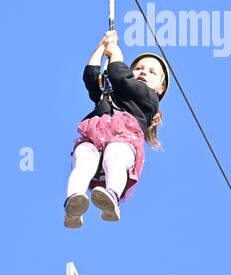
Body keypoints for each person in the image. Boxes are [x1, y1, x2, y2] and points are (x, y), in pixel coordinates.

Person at [64, 29, 166, 228]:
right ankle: (74, 202)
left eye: (151, 72)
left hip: (123, 140)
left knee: (115, 153)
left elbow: (120, 76)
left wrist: (116, 56)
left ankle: (111, 196)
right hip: (95, 140)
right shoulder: (113, 91)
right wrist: (102, 47)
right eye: (138, 68)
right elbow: (91, 77)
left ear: (159, 89)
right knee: (83, 157)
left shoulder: (148, 98)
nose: (143, 72)